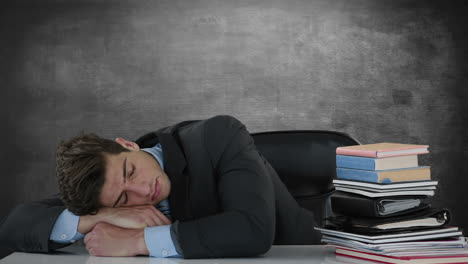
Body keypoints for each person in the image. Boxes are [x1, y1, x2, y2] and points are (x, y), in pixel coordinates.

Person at [0, 115, 321, 258]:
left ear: (127, 145)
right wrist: (93, 220)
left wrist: (137, 240)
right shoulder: (103, 191)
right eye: (122, 198)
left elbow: (252, 230)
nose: (141, 192)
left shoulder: (218, 135)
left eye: (130, 171)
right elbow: (14, 226)